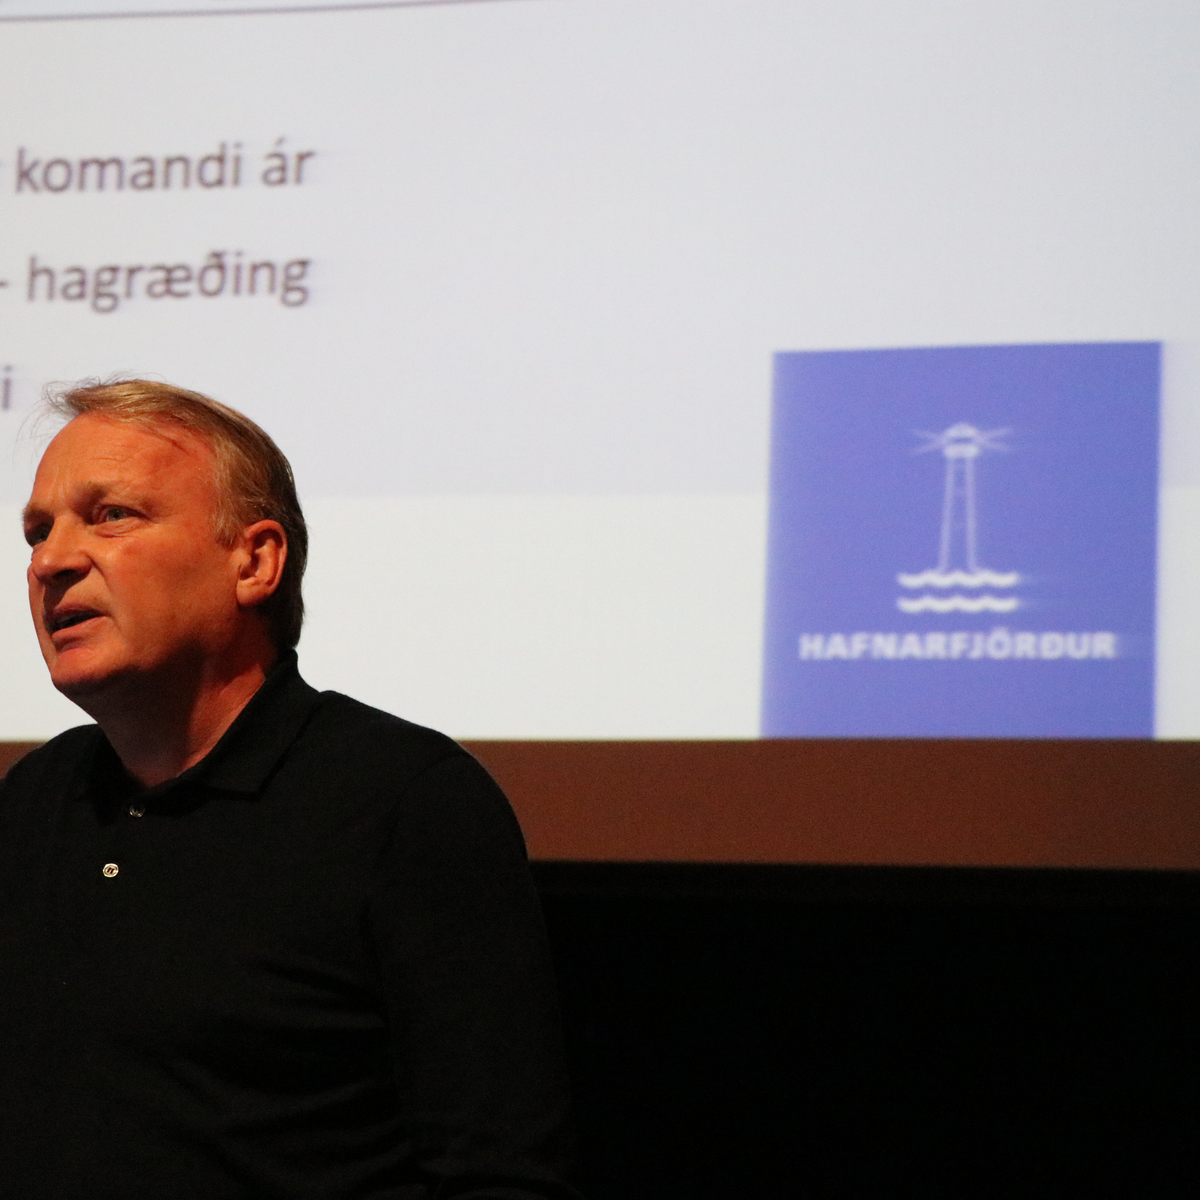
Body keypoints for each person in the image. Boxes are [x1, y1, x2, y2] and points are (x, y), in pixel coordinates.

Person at [0, 379, 580, 1200]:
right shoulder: (33, 802)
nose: (50, 561)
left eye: (112, 515)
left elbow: (497, 1174)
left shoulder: (403, 803)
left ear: (255, 561)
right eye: (38, 531)